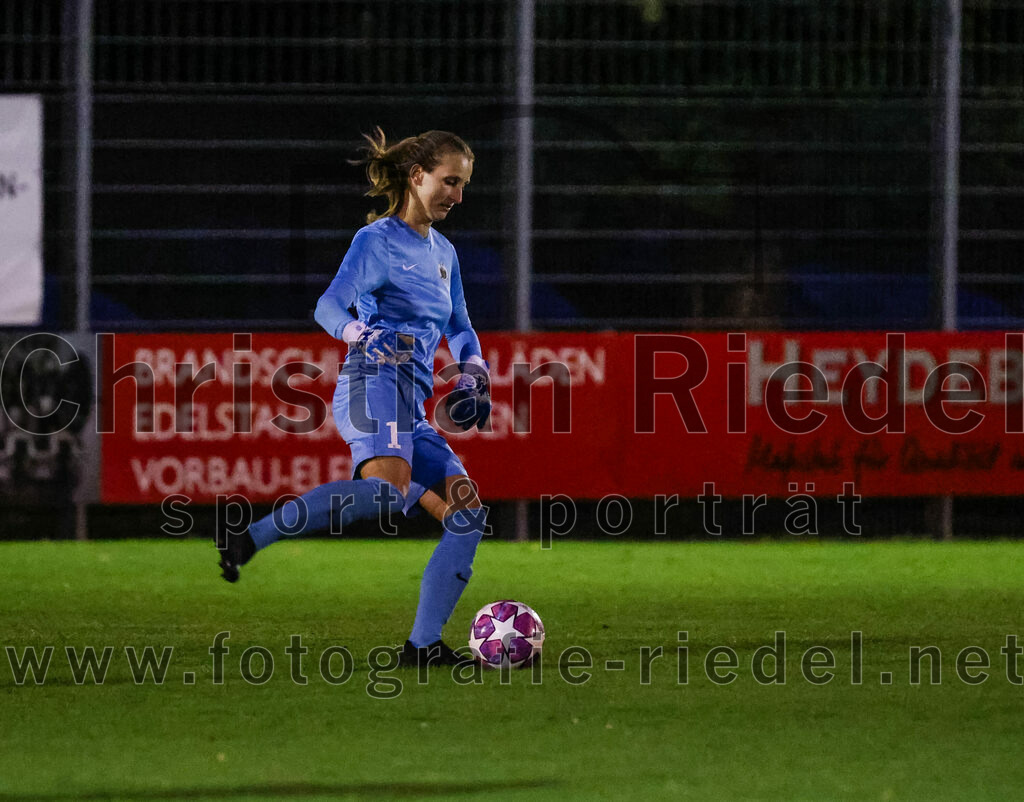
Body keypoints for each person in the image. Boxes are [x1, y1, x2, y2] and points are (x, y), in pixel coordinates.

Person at [215, 128, 492, 668]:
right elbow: (328, 305)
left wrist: (474, 372)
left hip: (411, 404)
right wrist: (360, 335)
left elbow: (459, 325)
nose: (457, 194)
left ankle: (422, 646)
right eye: (449, 181)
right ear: (417, 177)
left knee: (467, 514)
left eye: (463, 185)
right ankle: (250, 535)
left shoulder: (444, 252)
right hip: (371, 382)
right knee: (387, 493)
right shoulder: (377, 242)